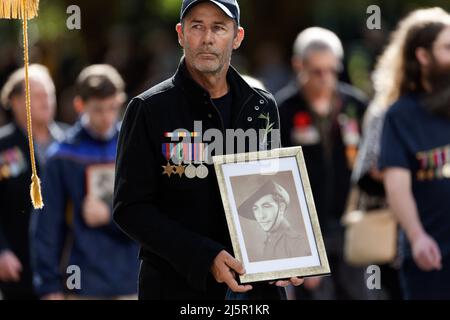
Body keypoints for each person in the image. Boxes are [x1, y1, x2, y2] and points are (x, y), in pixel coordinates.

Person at [113, 0, 303, 300]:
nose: (207, 38)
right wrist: (204, 257)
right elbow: (130, 209)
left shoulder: (262, 106)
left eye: (219, 27)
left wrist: (290, 253)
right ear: (180, 33)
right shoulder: (148, 109)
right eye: (197, 26)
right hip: (177, 287)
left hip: (257, 292)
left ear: (237, 37)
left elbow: (273, 186)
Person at [31, 64, 139, 300]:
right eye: (98, 110)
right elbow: (47, 226)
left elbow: (151, 212)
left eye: (112, 108)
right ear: (80, 105)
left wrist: (109, 214)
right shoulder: (62, 155)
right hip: (82, 283)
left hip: (132, 280)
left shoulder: (135, 146)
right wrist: (49, 286)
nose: (107, 117)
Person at [276, 27, 370, 299]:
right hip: (306, 231)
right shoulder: (282, 110)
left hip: (351, 226)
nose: (325, 78)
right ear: (298, 65)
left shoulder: (354, 105)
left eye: (332, 70)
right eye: (317, 71)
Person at [378, 8, 450, 299]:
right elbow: (396, 186)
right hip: (430, 258)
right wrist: (417, 236)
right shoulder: (399, 115)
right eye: (447, 47)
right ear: (422, 56)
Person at [0, 64, 66, 300]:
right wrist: (1, 251)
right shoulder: (3, 146)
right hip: (20, 267)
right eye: (37, 96)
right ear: (16, 102)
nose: (45, 101)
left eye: (49, 94)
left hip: (68, 267)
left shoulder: (70, 143)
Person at [237, 180, 310, 261]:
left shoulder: (296, 243)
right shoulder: (270, 238)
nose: (261, 216)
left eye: (266, 206)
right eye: (255, 208)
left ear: (281, 207)